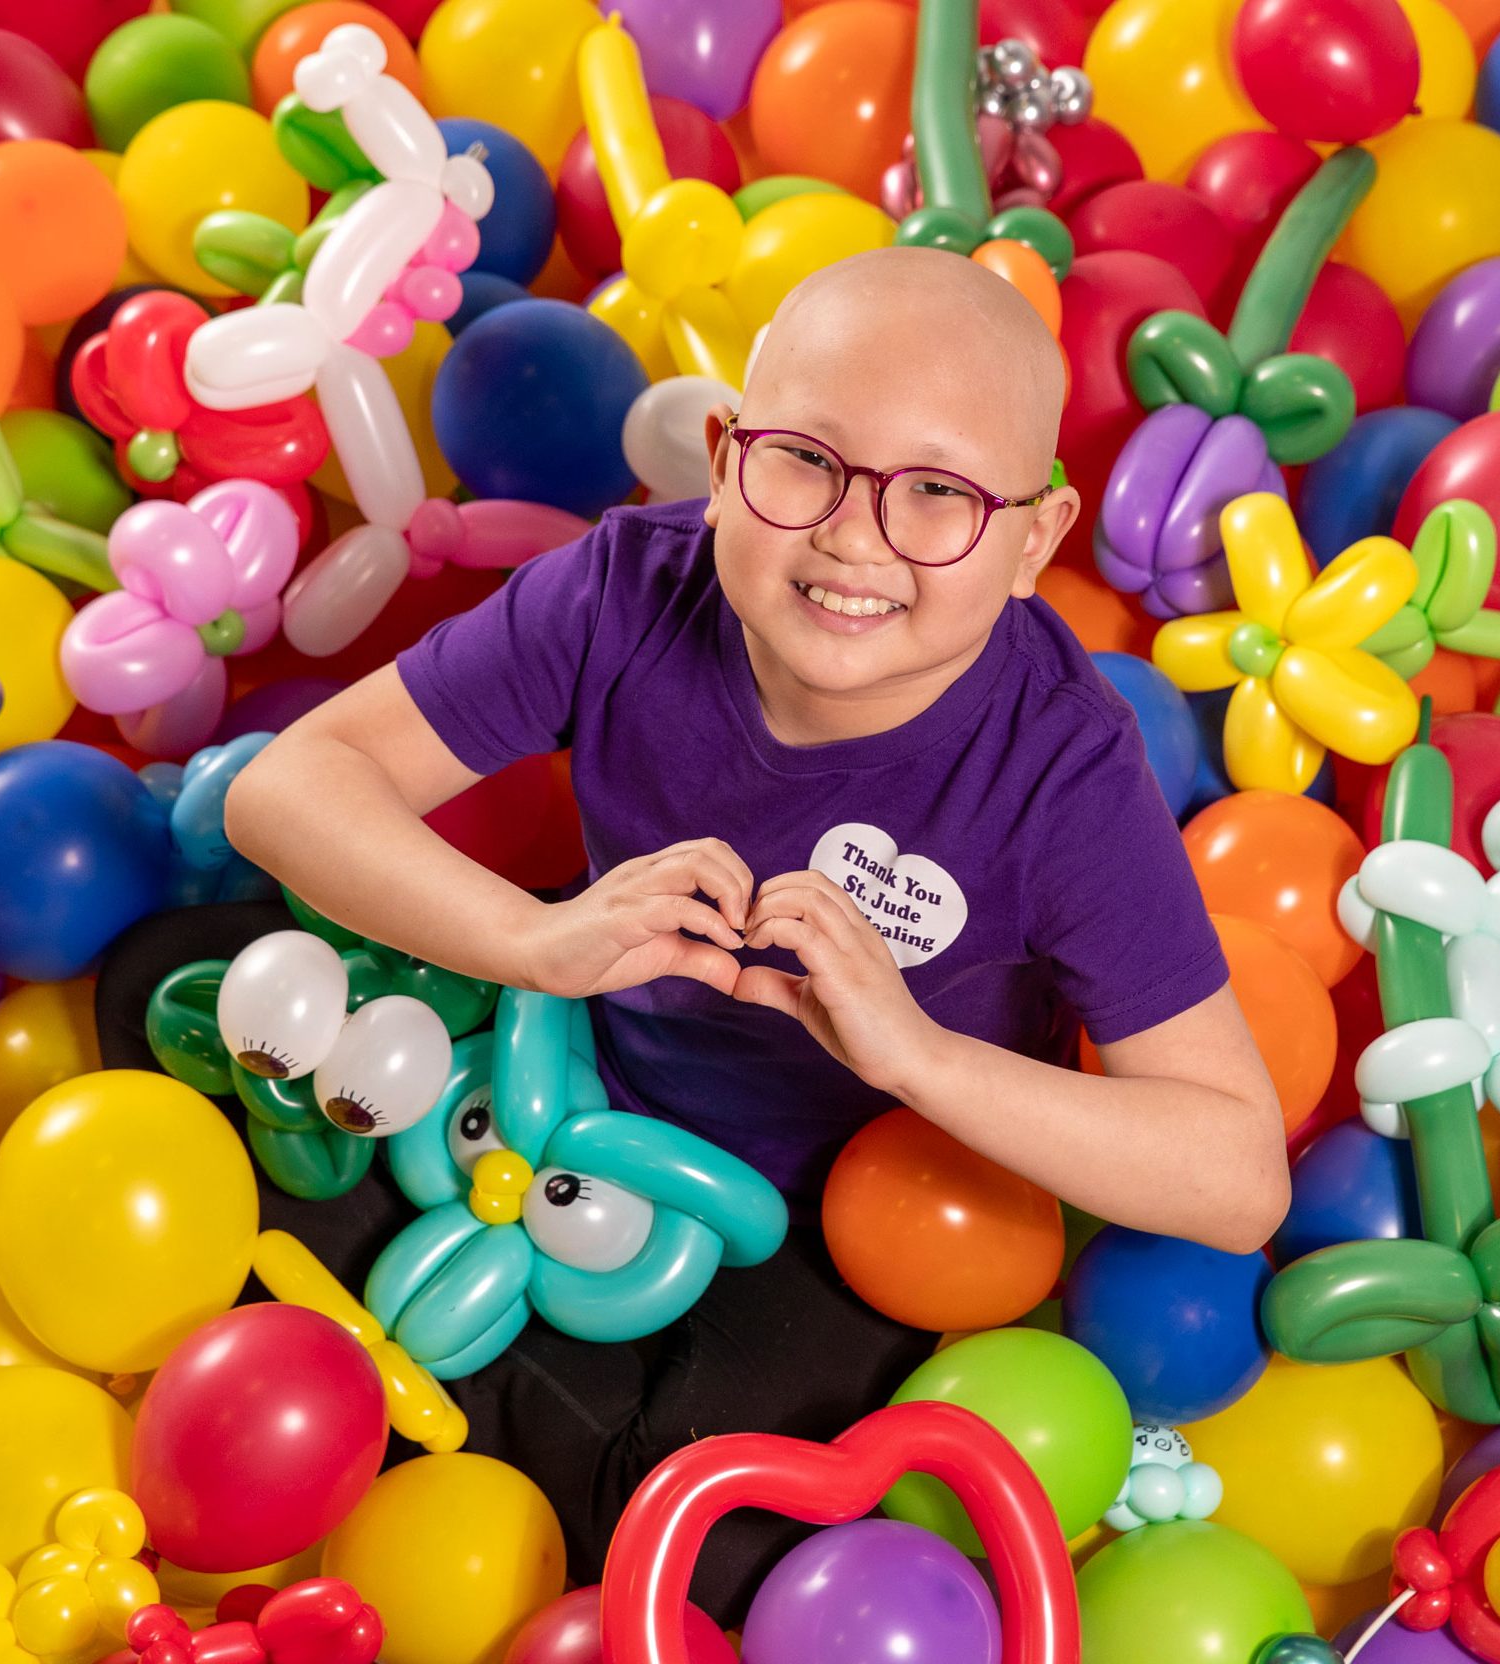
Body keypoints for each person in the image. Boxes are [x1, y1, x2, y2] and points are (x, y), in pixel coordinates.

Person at [93, 246, 1289, 1623]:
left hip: (844, 1209)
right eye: (805, 463)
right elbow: (289, 787)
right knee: (155, 985)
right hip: (553, 1076)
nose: (855, 538)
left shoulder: (1059, 772)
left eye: (940, 496)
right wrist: (529, 944)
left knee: (706, 1560)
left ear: (1031, 542)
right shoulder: (629, 590)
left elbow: (1237, 1170)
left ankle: (425, 1356)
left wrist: (917, 1057)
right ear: (722, 459)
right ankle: (460, 1344)